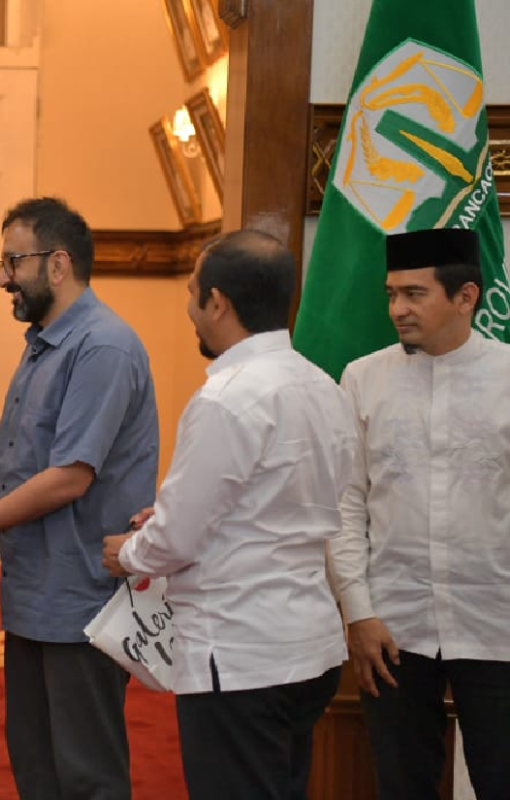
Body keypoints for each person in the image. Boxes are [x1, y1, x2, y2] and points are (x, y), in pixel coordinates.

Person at [0, 197, 159, 800]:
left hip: (80, 599)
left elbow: (68, 477)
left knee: (85, 773)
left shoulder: (102, 347)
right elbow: (12, 455)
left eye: (12, 262)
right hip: (34, 593)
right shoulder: (44, 341)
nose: (0, 278)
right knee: (36, 761)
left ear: (57, 265)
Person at [102, 229, 357, 800]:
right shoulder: (324, 386)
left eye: (192, 291)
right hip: (309, 642)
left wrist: (130, 552)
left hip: (240, 651)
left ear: (217, 301)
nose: (188, 306)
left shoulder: (226, 398)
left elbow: (179, 539)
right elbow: (297, 501)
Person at [328, 227, 510, 799]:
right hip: (392, 625)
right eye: (390, 295)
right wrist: (357, 611)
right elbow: (344, 503)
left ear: (466, 298)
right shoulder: (363, 377)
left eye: (414, 295)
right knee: (401, 785)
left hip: (497, 624)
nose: (397, 310)